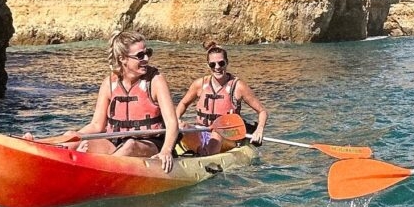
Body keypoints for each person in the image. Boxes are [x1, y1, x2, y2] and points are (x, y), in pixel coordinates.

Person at [60, 30, 180, 172]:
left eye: (148, 53)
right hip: (116, 142)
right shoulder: (109, 83)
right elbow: (97, 125)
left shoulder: (155, 80)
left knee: (130, 145)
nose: (146, 58)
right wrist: (74, 136)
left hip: (150, 144)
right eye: (140, 56)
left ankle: (97, 173)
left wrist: (166, 150)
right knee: (71, 138)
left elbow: (172, 122)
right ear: (123, 58)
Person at [175, 39, 268, 156]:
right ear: (208, 65)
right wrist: (176, 119)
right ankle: (197, 151)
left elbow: (262, 111)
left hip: (226, 136)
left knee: (217, 132)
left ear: (227, 62)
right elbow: (183, 104)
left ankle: (205, 155)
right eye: (212, 64)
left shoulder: (238, 86)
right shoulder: (200, 84)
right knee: (181, 126)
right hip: (201, 131)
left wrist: (259, 129)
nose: (217, 67)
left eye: (221, 63)